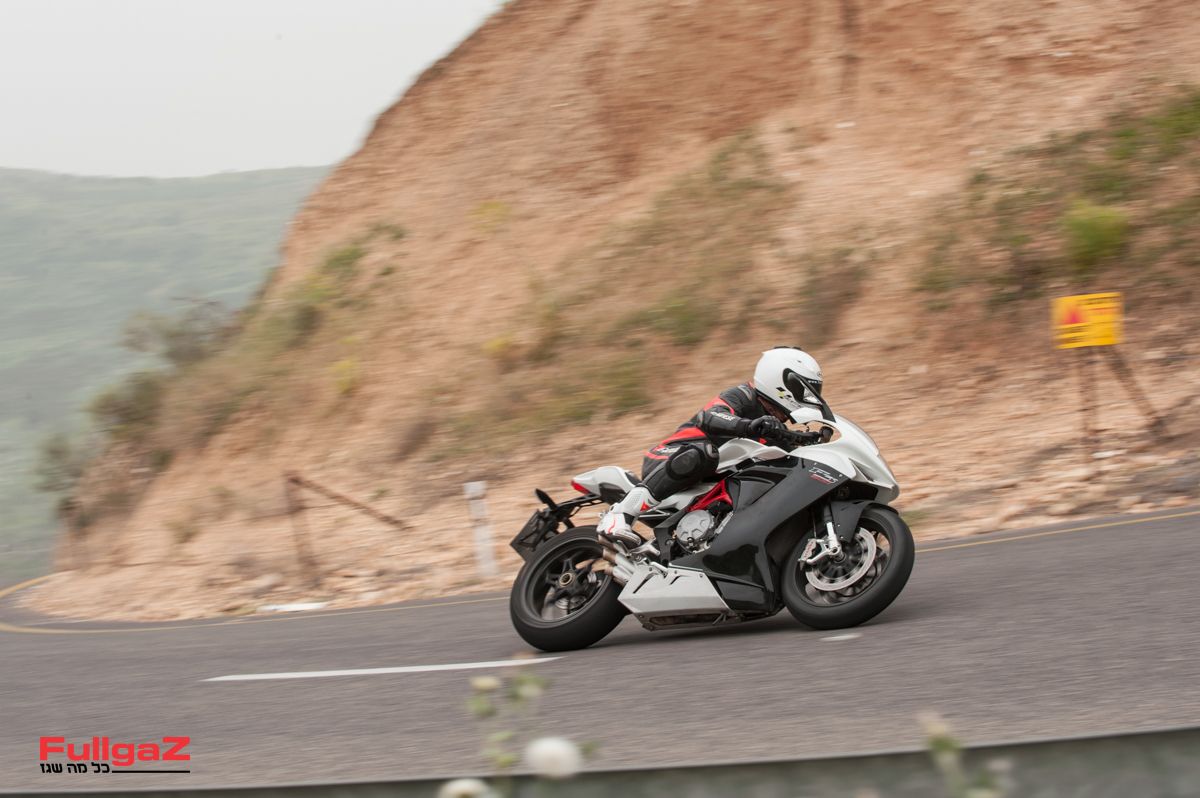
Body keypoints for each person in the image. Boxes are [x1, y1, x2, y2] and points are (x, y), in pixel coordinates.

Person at [598, 346, 824, 549]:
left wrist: (811, 441)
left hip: (707, 482)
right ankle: (620, 515)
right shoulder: (744, 396)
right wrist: (748, 426)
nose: (809, 397)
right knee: (704, 453)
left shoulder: (775, 430)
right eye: (805, 390)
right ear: (782, 381)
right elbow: (710, 417)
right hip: (670, 457)